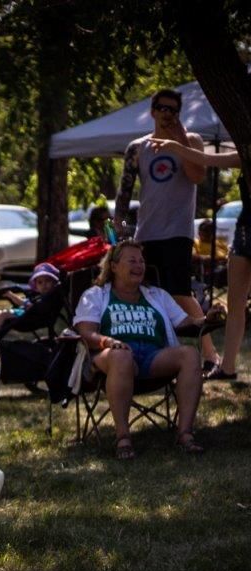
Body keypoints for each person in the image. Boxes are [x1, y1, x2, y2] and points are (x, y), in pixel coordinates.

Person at [74, 240, 221, 459]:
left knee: (190, 354)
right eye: (132, 260)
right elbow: (86, 332)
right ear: (113, 266)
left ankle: (185, 434)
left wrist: (206, 318)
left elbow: (184, 323)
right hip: (111, 357)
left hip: (153, 357)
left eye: (141, 261)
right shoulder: (95, 295)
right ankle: (123, 438)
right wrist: (108, 342)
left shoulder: (157, 295)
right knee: (122, 356)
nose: (139, 265)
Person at [113, 89, 220, 369]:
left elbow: (197, 176)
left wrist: (180, 139)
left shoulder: (192, 141)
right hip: (146, 235)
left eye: (173, 109)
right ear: (152, 111)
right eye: (161, 108)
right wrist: (123, 232)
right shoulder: (138, 147)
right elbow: (123, 196)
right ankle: (155, 352)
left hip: (178, 232)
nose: (166, 113)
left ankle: (210, 356)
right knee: (148, 294)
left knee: (181, 293)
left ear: (179, 113)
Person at [149, 137, 249, 381]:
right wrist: (177, 148)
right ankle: (227, 368)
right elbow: (207, 159)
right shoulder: (245, 153)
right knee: (235, 303)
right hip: (245, 231)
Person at [0, 262, 62, 337]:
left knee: (3, 314)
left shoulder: (47, 299)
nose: (44, 284)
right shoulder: (37, 296)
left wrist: (12, 296)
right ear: (36, 286)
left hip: (30, 319)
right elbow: (23, 303)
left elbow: (26, 305)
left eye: (47, 281)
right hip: (23, 314)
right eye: (40, 282)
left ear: (54, 282)